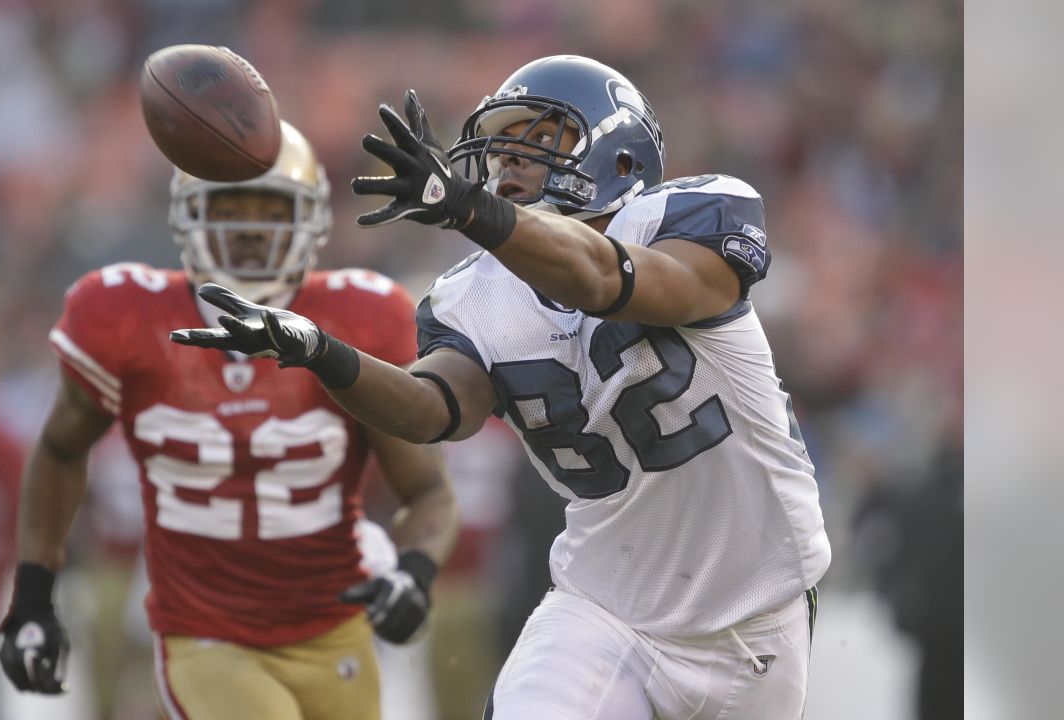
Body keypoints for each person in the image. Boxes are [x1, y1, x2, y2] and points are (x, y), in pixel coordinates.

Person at [172, 55, 831, 720]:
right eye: (507, 143)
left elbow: (604, 281)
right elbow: (432, 409)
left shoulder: (692, 217)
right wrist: (322, 353)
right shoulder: (473, 297)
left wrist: (468, 209)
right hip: (604, 609)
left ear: (622, 157)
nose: (512, 160)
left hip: (753, 613)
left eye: (543, 139)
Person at [0, 121, 460, 720]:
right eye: (228, 207)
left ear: (310, 220)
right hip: (204, 632)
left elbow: (427, 489)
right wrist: (33, 598)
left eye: (268, 210)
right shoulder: (122, 314)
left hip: (333, 626)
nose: (246, 228)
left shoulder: (362, 315)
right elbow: (61, 449)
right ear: (188, 216)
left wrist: (413, 575)